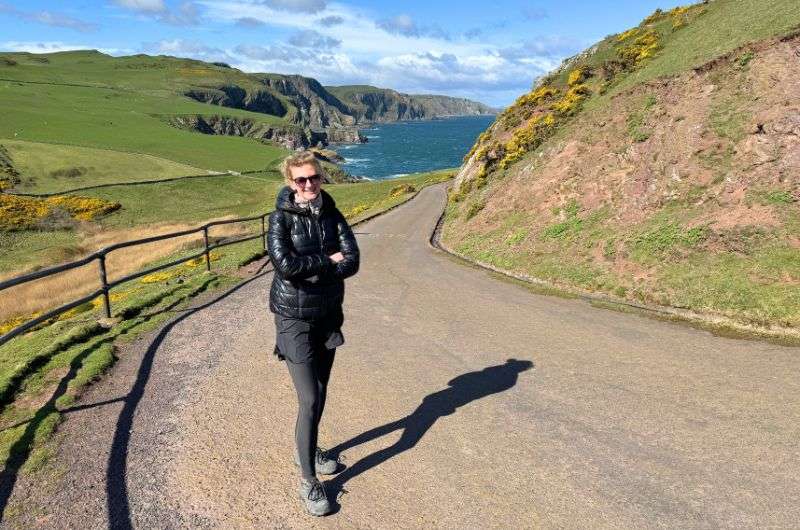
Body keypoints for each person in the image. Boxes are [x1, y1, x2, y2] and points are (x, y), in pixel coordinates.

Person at [267, 150, 360, 516]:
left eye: (314, 178)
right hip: (293, 317)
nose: (308, 185)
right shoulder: (280, 219)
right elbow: (286, 265)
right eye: (300, 180)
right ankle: (309, 481)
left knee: (320, 392)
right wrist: (328, 260)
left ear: (322, 177)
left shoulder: (333, 215)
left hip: (327, 315)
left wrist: (320, 268)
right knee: (309, 398)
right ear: (290, 182)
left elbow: (353, 261)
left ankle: (307, 447)